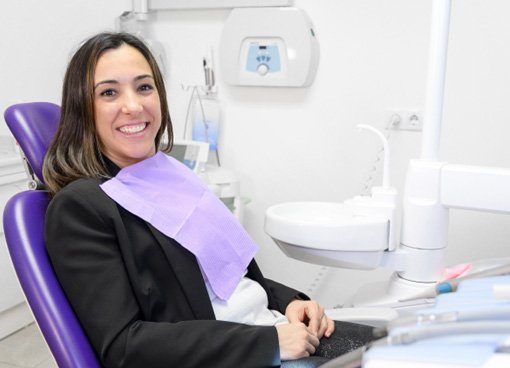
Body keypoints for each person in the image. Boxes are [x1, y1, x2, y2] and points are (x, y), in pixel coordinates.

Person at [43, 32, 375, 368]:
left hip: (274, 330)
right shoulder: (81, 208)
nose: (134, 105)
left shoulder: (171, 176)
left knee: (405, 348)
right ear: (83, 107)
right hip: (238, 354)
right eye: (109, 92)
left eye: (144, 87)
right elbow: (125, 346)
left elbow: (233, 278)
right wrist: (270, 342)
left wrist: (291, 302)